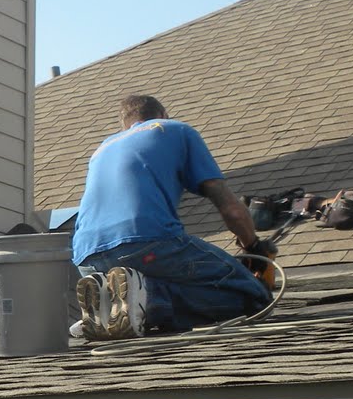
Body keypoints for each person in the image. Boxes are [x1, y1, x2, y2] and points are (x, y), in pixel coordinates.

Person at [71, 93, 272, 339]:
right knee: (254, 297)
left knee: (167, 284)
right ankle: (149, 301)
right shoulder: (174, 129)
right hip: (145, 242)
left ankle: (109, 306)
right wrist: (254, 247)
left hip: (86, 257)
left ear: (124, 125)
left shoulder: (102, 148)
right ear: (164, 114)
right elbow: (231, 209)